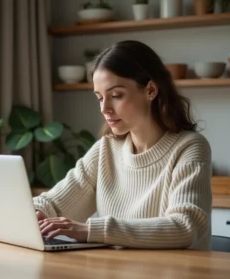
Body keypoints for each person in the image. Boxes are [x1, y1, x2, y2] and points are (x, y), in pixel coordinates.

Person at [33, 40, 212, 250]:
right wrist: (34, 212)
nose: (104, 108)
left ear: (151, 90)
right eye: (99, 98)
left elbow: (185, 226)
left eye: (116, 95)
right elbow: (53, 205)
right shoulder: (106, 149)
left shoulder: (190, 147)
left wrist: (91, 230)